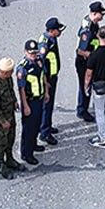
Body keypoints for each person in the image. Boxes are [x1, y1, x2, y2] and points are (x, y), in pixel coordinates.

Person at [0, 58, 23, 180]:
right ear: (3, 72)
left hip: (10, 114)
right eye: (10, 71)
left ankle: (10, 159)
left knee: (11, 137)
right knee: (1, 142)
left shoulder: (7, 78)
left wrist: (14, 101)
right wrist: (3, 121)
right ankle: (1, 164)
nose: (12, 73)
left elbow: (11, 90)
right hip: (1, 119)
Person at [16, 40, 50, 166]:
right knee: (28, 129)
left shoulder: (39, 60)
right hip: (30, 101)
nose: (34, 55)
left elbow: (43, 76)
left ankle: (34, 144)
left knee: (36, 125)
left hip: (39, 98)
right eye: (31, 53)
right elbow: (22, 89)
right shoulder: (23, 68)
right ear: (25, 52)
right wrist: (25, 106)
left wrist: (46, 92)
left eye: (35, 52)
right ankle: (26, 153)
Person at [75, 1, 105, 122]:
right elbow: (80, 51)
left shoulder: (92, 23)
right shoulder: (87, 30)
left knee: (85, 86)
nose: (102, 17)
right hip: (84, 62)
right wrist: (94, 56)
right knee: (85, 86)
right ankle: (82, 111)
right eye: (100, 14)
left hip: (89, 60)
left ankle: (82, 108)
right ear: (94, 13)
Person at [39, 17, 66, 145]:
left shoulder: (52, 39)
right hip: (48, 79)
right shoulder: (45, 44)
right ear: (51, 30)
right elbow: (41, 65)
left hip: (53, 76)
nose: (60, 32)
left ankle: (47, 126)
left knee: (49, 105)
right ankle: (44, 133)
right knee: (47, 105)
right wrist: (45, 82)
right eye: (58, 30)